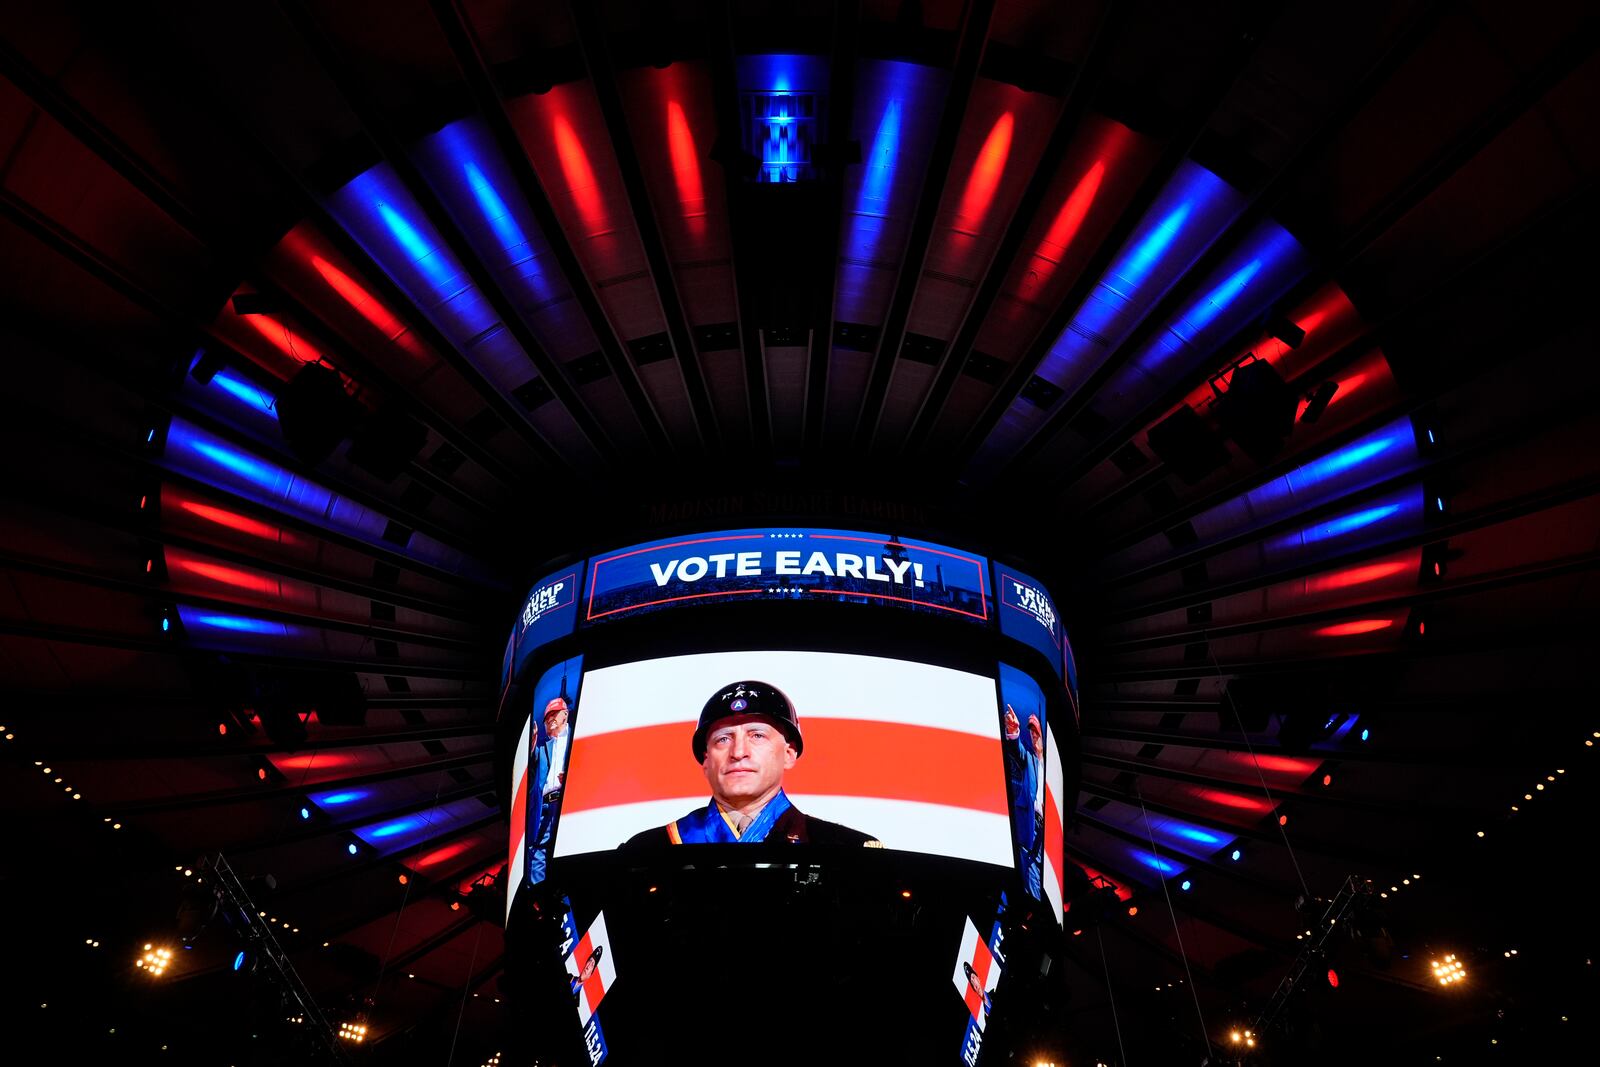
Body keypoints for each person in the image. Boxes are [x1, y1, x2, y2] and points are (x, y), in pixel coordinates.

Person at [624, 680, 880, 847]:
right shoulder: (647, 850)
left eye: (757, 735)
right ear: (705, 761)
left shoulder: (846, 849)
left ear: (789, 753)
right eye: (723, 739)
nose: (738, 752)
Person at [1003, 702, 1045, 898]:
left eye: (1036, 730)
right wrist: (1013, 731)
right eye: (1031, 731)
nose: (1033, 735)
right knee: (1026, 869)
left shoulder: (1052, 771)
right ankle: (1027, 904)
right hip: (1029, 821)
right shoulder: (1029, 758)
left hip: (1046, 831)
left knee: (1039, 872)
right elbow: (1016, 749)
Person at [529, 695, 571, 882]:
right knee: (537, 849)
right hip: (545, 805)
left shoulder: (576, 739)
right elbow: (529, 772)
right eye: (546, 717)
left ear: (565, 715)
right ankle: (539, 894)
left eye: (554, 714)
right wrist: (530, 746)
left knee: (568, 848)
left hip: (567, 802)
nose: (550, 719)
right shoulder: (542, 749)